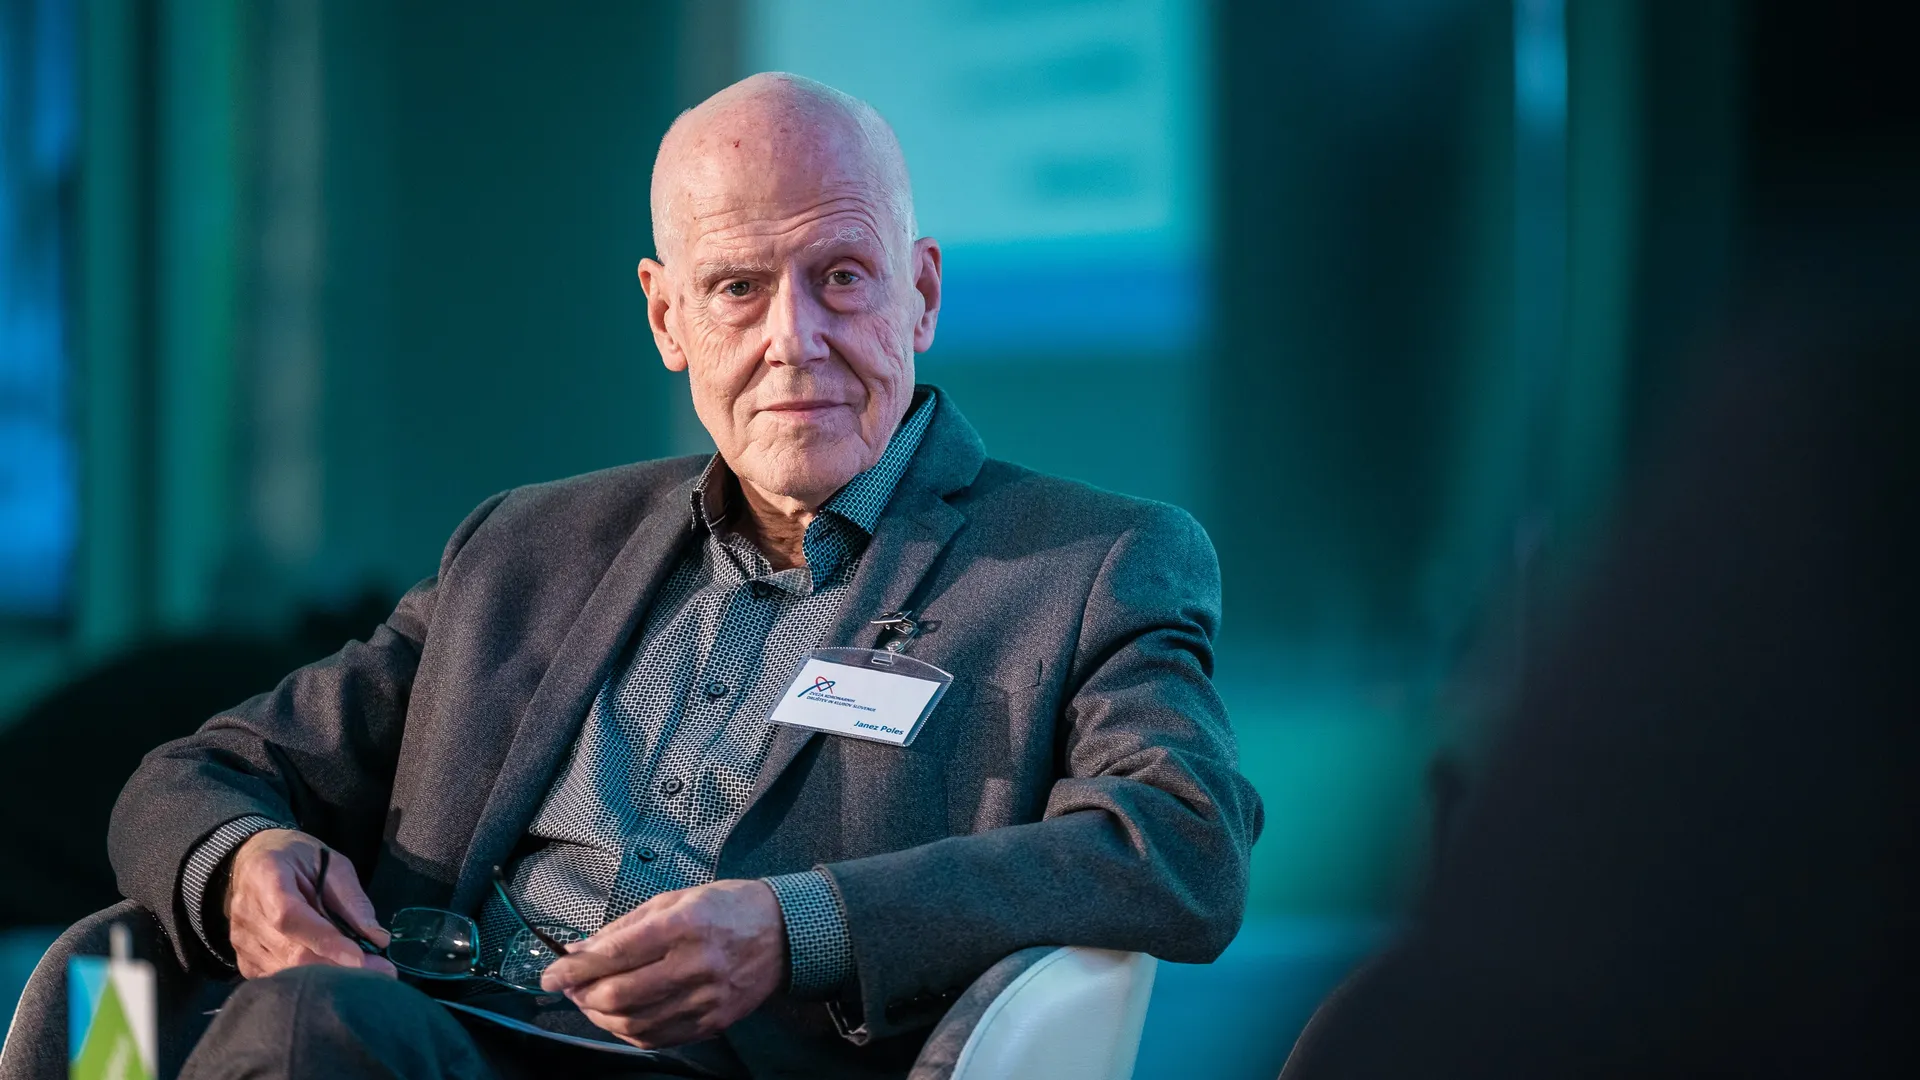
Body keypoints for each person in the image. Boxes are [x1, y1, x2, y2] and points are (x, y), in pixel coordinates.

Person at [106, 73, 1263, 1079]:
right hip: (425, 1036)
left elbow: (1181, 842)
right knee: (129, 996)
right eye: (737, 289)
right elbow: (195, 776)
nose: (793, 338)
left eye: (841, 276)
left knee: (302, 1028)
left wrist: (797, 928)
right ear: (667, 317)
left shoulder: (1087, 566)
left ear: (921, 294)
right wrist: (242, 868)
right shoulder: (524, 546)